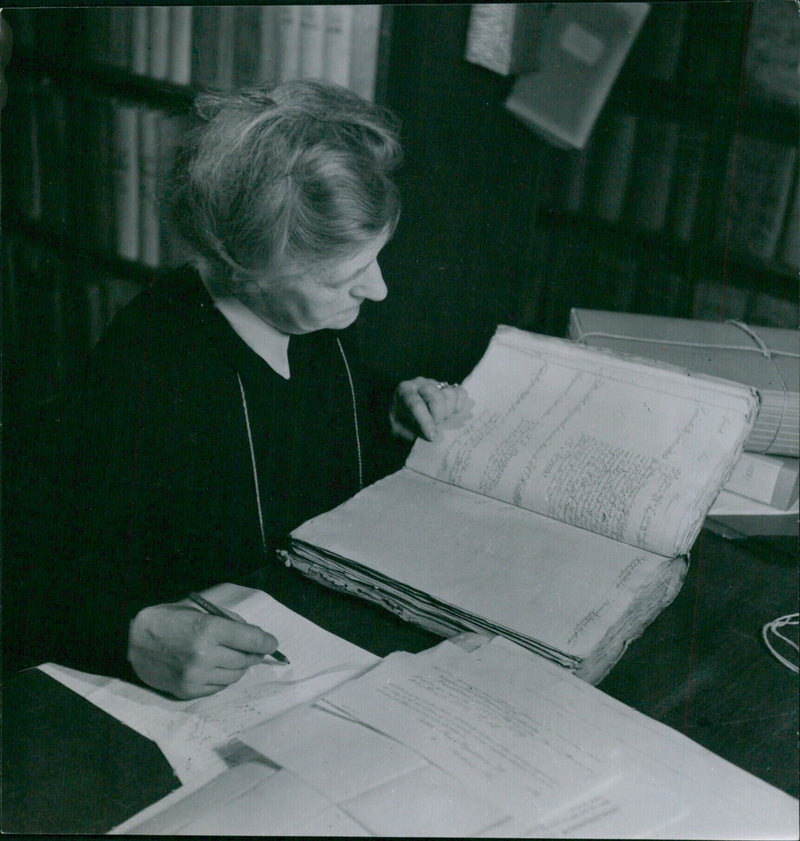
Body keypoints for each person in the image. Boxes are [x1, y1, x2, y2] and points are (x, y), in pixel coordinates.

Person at [6, 80, 468, 699]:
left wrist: (391, 409)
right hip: (203, 692)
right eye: (347, 276)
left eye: (375, 260)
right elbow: (28, 566)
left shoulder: (313, 318)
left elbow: (303, 421)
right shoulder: (150, 367)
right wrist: (130, 634)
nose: (378, 291)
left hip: (327, 645)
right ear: (247, 273)